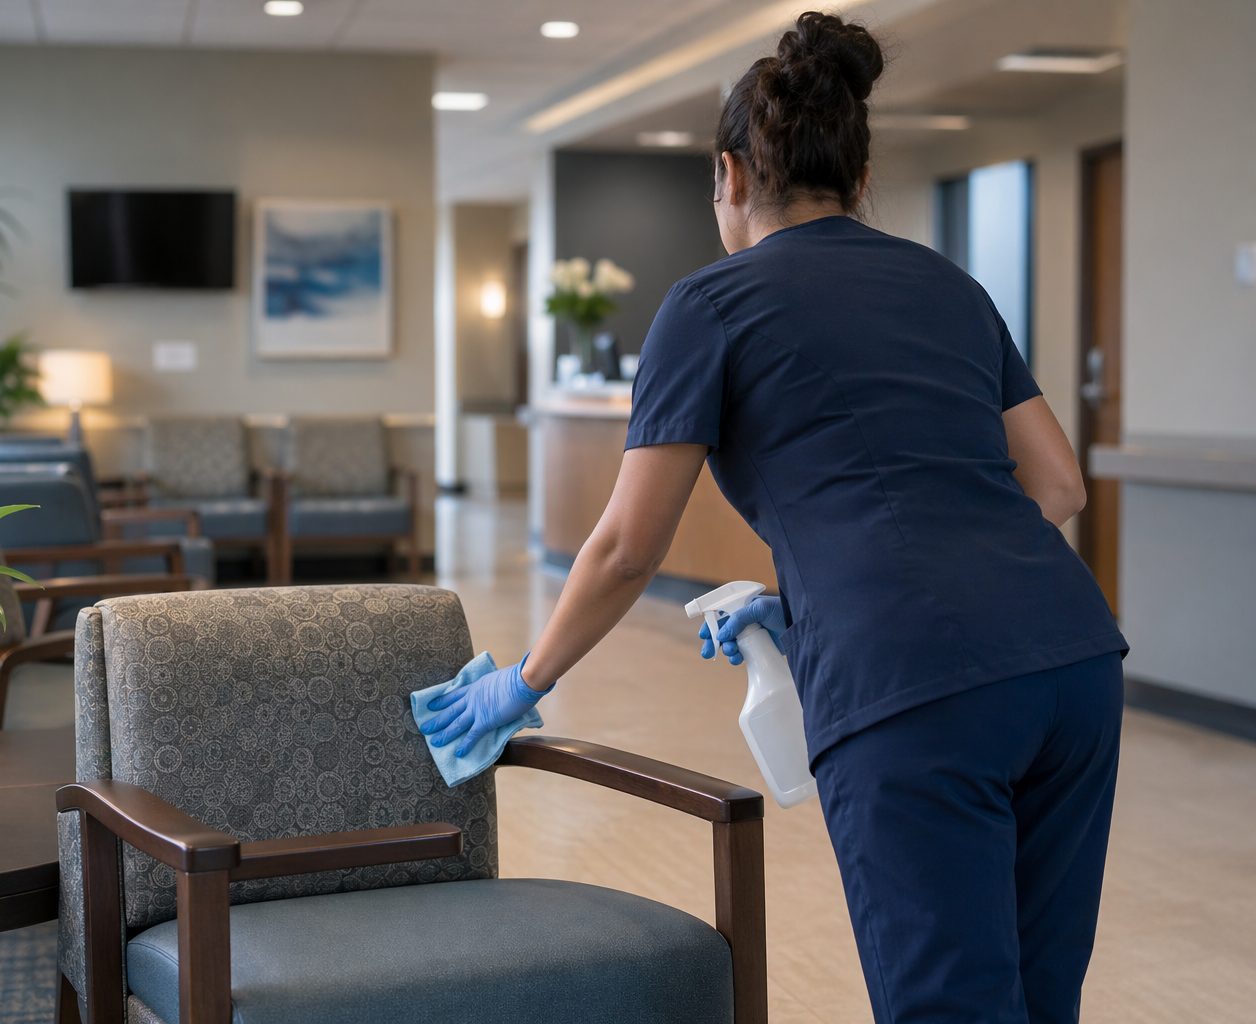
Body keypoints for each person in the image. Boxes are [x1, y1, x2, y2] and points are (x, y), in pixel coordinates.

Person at [421, 11, 1128, 1023]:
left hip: (910, 680)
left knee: (952, 1004)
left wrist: (525, 680)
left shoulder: (709, 305)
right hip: (1073, 661)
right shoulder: (950, 285)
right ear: (856, 166)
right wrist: (815, 591)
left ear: (731, 175)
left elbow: (626, 547)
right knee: (1038, 996)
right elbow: (1059, 485)